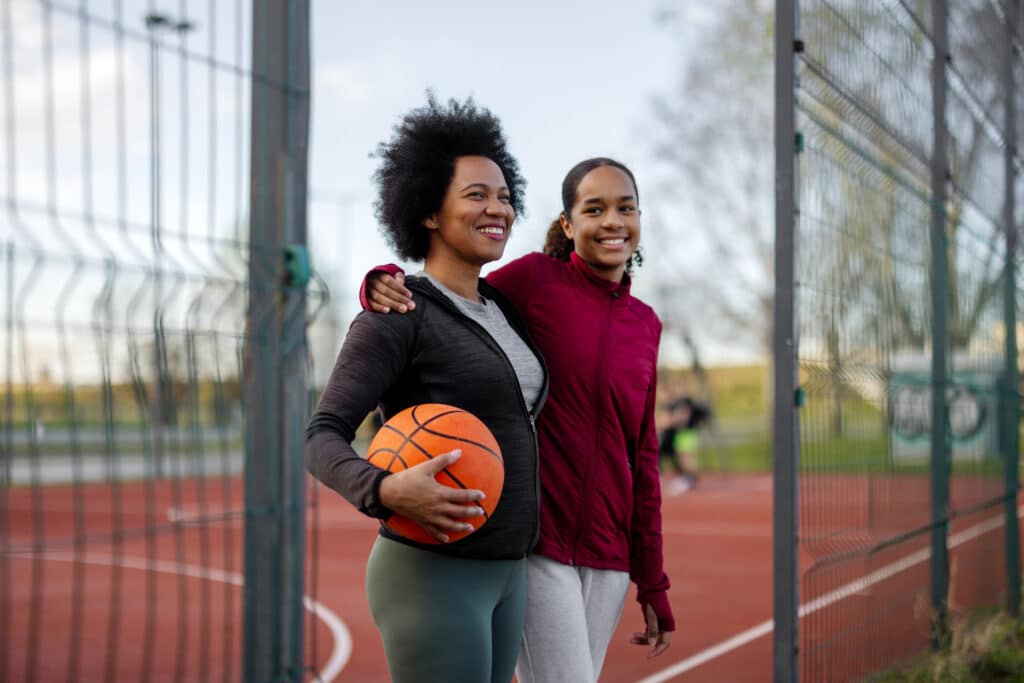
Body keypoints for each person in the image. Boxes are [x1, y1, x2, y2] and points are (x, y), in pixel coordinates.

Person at [361, 157, 674, 682]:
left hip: (610, 557)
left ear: (640, 218)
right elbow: (448, 294)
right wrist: (383, 282)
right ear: (569, 224)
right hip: (539, 544)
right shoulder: (534, 282)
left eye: (625, 208)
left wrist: (653, 582)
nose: (612, 222)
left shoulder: (647, 324)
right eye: (593, 209)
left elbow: (643, 459)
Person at [305, 95, 548, 683]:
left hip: (508, 567)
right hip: (432, 569)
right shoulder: (399, 311)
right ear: (428, 211)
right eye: (476, 195)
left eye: (506, 196)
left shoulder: (505, 309)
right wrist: (384, 489)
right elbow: (320, 436)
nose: (498, 208)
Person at [659, 396, 710, 494]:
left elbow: (682, 419)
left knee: (686, 457)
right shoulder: (682, 403)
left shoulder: (684, 404)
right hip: (683, 433)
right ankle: (688, 478)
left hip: (686, 434)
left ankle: (690, 478)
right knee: (682, 457)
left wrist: (673, 422)